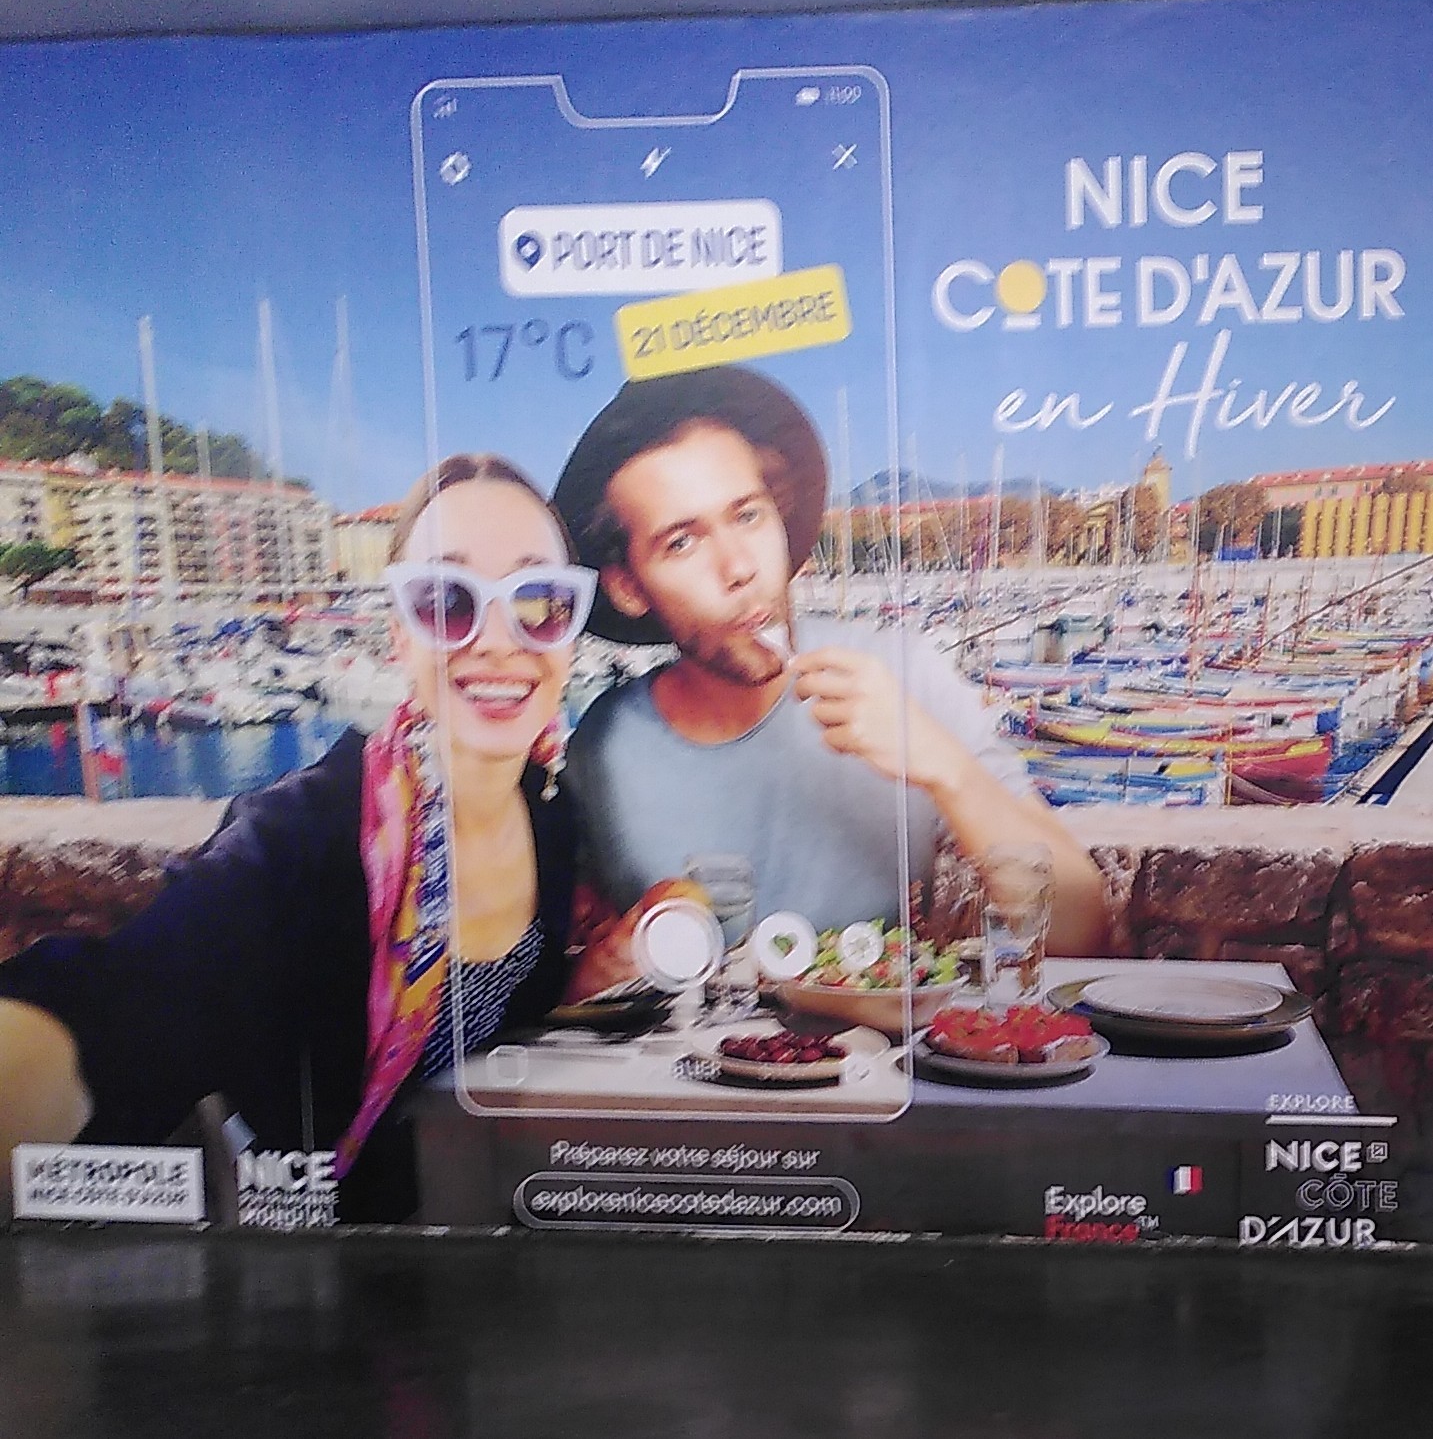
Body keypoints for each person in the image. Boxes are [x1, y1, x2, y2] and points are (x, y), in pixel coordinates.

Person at [0, 454, 595, 1221]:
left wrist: (578, 987)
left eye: (539, 599)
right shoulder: (303, 837)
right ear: (397, 636)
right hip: (327, 1268)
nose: (499, 641)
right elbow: (125, 996)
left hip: (469, 1220)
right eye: (446, 600)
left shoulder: (548, 808)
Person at [552, 366, 1108, 1001]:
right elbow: (582, 957)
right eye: (682, 542)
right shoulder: (603, 745)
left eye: (748, 517)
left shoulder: (900, 672)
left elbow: (1081, 930)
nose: (738, 568)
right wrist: (590, 977)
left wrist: (943, 767)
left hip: (873, 1083)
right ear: (627, 586)